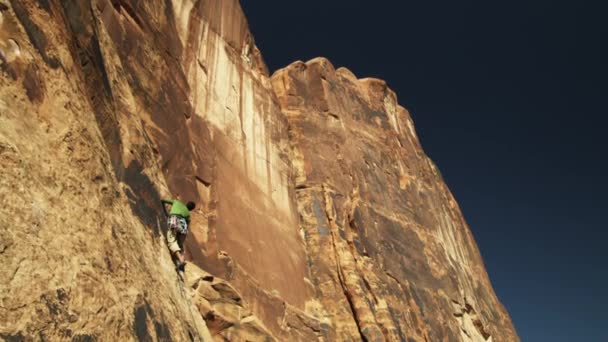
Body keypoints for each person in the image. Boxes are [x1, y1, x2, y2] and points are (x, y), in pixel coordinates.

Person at [161, 198, 195, 272]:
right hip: (183, 225)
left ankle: (181, 260)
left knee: (172, 241)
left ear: (186, 203)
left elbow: (163, 200)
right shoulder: (188, 214)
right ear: (191, 209)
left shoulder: (176, 202)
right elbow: (187, 225)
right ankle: (182, 259)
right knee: (180, 244)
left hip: (174, 219)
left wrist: (166, 213)